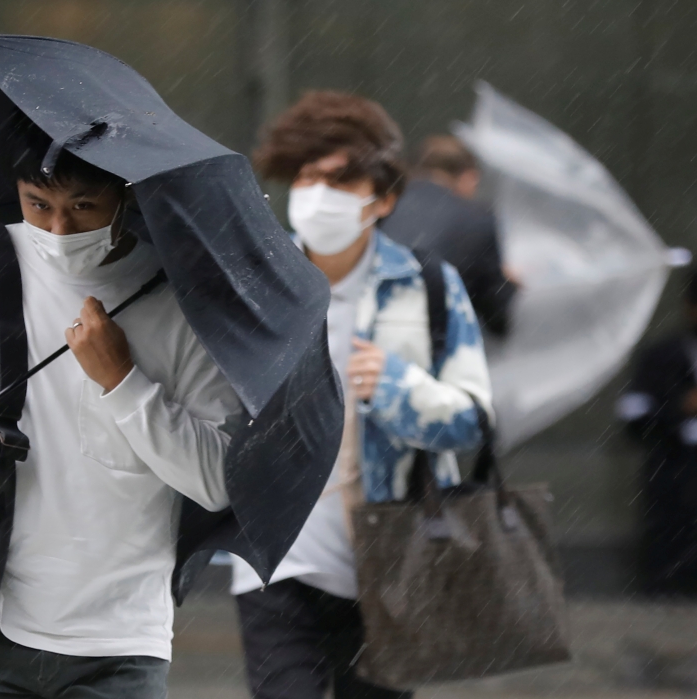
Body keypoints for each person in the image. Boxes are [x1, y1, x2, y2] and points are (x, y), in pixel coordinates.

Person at [0, 119, 241, 698]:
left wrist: (123, 380)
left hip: (121, 641)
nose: (59, 229)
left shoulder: (178, 297)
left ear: (126, 194)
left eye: (84, 206)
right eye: (38, 204)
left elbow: (214, 481)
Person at [230, 92, 493, 699]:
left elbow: (473, 420)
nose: (319, 193)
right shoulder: (260, 288)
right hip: (276, 558)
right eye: (307, 176)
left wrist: (401, 390)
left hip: (393, 561)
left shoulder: (425, 285)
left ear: (384, 199)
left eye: (340, 179)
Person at [618, 265, 697, 596]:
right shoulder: (662, 356)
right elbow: (634, 417)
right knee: (676, 562)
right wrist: (682, 406)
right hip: (677, 474)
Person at [383, 134, 517, 336]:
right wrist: (509, 282)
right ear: (469, 177)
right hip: (430, 338)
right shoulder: (477, 218)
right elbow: (497, 315)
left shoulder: (383, 204)